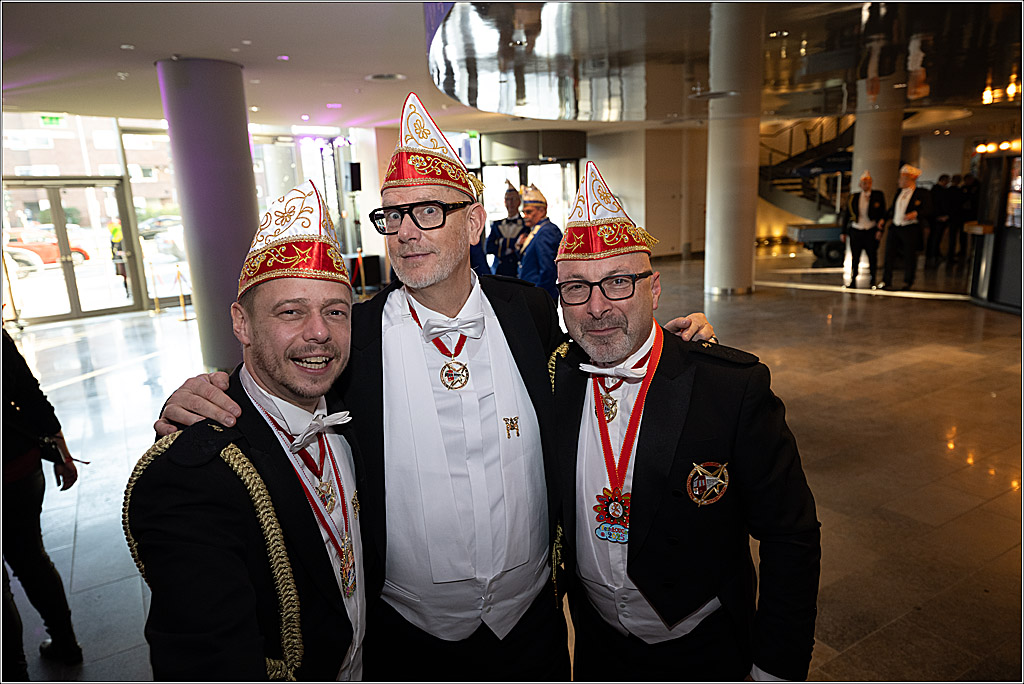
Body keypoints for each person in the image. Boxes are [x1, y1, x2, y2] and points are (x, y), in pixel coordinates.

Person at [154, 93, 715, 682]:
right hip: (407, 640)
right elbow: (279, 375)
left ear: (472, 222)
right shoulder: (350, 341)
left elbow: (610, 343)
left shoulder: (533, 315)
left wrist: (683, 349)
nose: (405, 233)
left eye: (428, 211)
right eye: (392, 215)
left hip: (531, 630)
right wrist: (203, 396)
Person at [550, 162, 821, 681]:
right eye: (577, 289)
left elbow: (792, 536)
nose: (598, 307)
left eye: (618, 283)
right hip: (596, 646)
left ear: (655, 289)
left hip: (705, 650)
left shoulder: (729, 387)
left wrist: (777, 667)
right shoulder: (553, 374)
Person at [123, 181, 367, 680]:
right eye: (291, 311)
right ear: (242, 323)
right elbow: (206, 660)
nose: (318, 331)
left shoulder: (359, 406)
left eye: (335, 311)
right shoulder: (192, 475)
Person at [3, 329, 83, 679]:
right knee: (31, 558)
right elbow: (30, 396)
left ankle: (13, 671)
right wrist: (62, 454)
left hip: (16, 469)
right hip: (19, 467)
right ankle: (66, 644)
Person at [880, 164, 931, 291]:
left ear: (909, 180)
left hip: (910, 228)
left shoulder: (921, 193)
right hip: (896, 227)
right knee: (889, 254)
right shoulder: (899, 192)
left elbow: (929, 210)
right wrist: (884, 219)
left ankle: (908, 281)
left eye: (901, 179)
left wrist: (916, 214)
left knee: (909, 255)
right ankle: (886, 280)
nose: (899, 181)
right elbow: (893, 208)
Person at [840, 170, 886, 288]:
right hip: (856, 230)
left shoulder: (878, 195)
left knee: (872, 256)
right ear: (860, 184)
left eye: (868, 182)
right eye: (864, 183)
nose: (866, 185)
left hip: (871, 230)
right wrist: (843, 232)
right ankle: (853, 280)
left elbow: (883, 214)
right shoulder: (853, 197)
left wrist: (880, 230)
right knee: (855, 257)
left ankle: (873, 280)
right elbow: (846, 215)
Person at [516, 184, 562, 299]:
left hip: (538, 295)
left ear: (542, 211)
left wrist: (540, 295)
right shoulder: (537, 229)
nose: (525, 216)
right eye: (524, 212)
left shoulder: (547, 231)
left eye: (529, 212)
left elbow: (547, 269)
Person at [485, 180, 528, 277]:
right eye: (508, 200)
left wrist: (501, 242)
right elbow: (488, 247)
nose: (510, 203)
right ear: (504, 202)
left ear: (519, 201)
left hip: (518, 272)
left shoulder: (526, 224)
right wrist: (513, 243)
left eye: (513, 199)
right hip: (499, 272)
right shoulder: (497, 224)